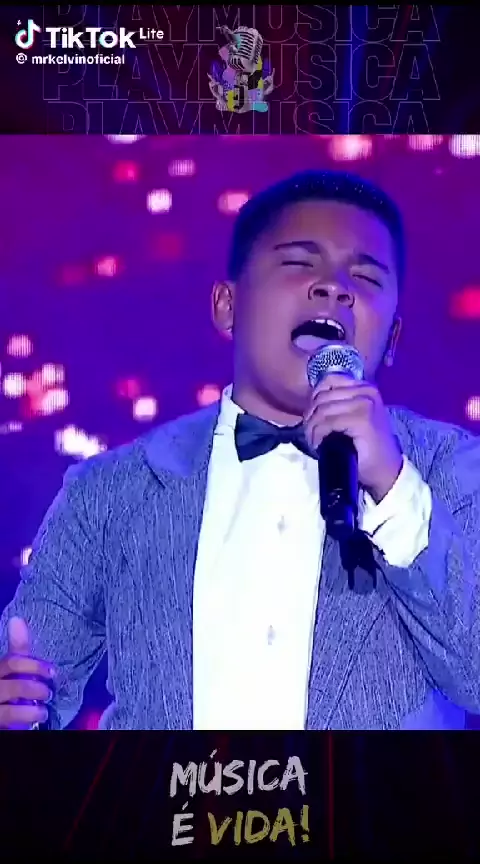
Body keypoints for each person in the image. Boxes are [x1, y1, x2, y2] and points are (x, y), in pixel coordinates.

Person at [1, 169, 480, 731]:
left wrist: (393, 486)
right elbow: (28, 689)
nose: (334, 288)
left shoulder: (451, 470)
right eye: (299, 262)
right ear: (227, 306)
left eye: (364, 276)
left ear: (393, 337)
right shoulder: (110, 491)